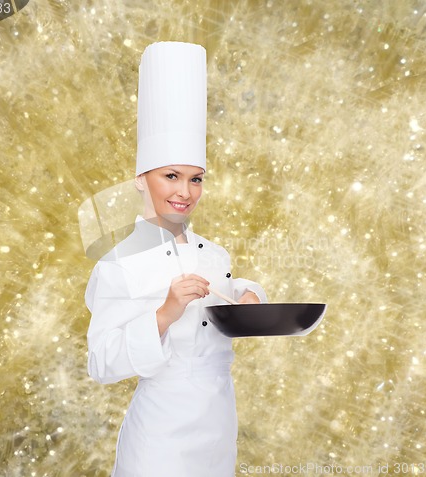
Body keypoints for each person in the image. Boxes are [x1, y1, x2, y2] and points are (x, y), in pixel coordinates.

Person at [85, 41, 267, 477]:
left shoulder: (214, 253)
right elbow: (101, 363)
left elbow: (223, 293)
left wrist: (246, 295)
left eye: (195, 179)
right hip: (160, 439)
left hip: (219, 428)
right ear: (140, 180)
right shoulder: (117, 262)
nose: (185, 192)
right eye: (171, 176)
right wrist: (166, 312)